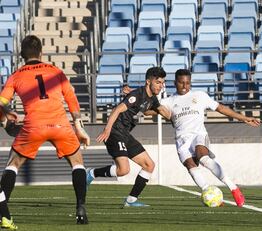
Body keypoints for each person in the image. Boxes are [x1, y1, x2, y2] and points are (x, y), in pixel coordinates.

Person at [0, 35, 91, 229]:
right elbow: (71, 99)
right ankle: (81, 207)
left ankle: (3, 210)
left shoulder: (16, 75)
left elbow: (1, 102)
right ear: (41, 52)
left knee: (13, 165)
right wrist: (78, 125)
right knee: (77, 164)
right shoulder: (56, 71)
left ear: (22, 54)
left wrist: (7, 116)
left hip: (33, 126)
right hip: (60, 124)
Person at [160, 69, 261, 207]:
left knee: (203, 158)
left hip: (198, 134)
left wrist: (244, 118)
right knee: (191, 166)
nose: (185, 86)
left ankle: (234, 188)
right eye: (181, 83)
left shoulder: (199, 95)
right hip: (181, 139)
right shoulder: (168, 101)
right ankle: (209, 192)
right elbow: (148, 108)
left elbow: (221, 108)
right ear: (175, 83)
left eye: (187, 83)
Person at [86, 67, 170, 207]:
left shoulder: (151, 98)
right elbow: (117, 109)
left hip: (125, 133)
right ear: (148, 82)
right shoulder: (137, 95)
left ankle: (131, 200)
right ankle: (91, 173)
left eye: (162, 83)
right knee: (123, 170)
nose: (161, 86)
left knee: (149, 165)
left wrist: (171, 115)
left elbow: (150, 111)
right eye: (158, 82)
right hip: (115, 131)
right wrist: (107, 130)